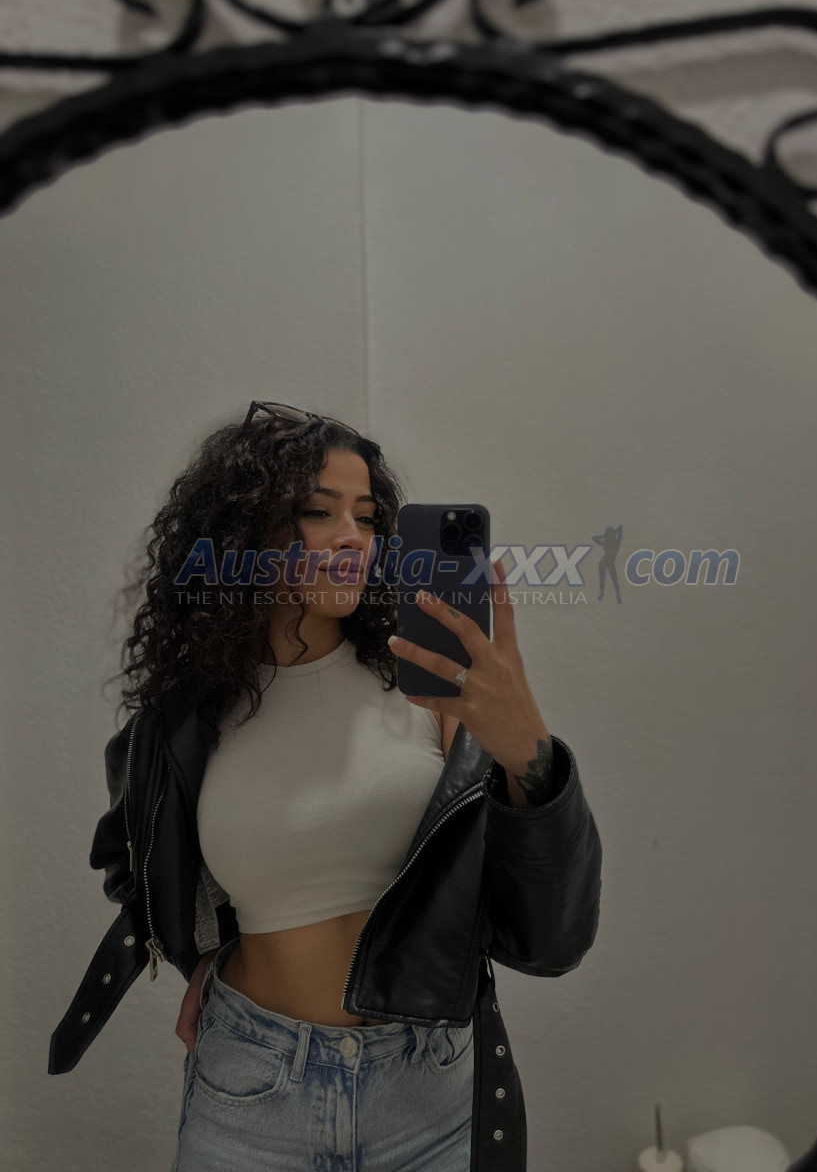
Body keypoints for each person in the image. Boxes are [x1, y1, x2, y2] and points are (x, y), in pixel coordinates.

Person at [48, 402, 604, 1172]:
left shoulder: (430, 692)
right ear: (243, 532)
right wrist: (199, 957)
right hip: (249, 1088)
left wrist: (530, 756)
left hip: (428, 1092)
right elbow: (134, 863)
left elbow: (553, 941)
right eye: (318, 511)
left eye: (368, 518)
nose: (354, 538)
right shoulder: (186, 724)